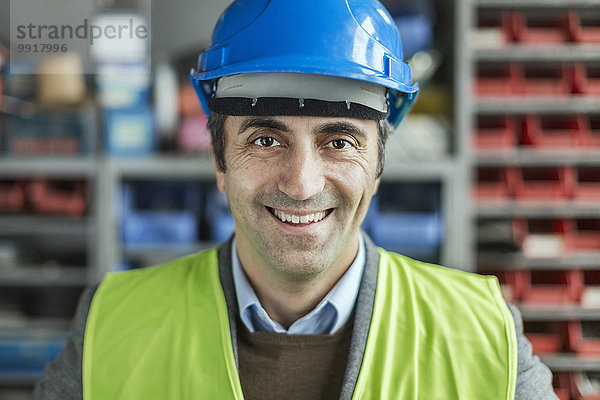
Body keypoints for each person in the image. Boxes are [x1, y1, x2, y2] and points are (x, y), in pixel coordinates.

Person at [34, 0, 558, 399]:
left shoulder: (485, 335)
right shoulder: (111, 326)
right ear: (220, 161)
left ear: (377, 165)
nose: (302, 184)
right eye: (265, 139)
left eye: (338, 141)